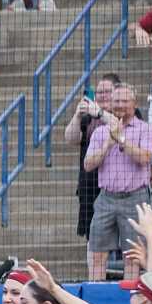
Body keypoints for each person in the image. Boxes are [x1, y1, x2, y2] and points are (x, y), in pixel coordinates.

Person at [84, 84, 152, 281]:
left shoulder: (145, 130)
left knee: (132, 256)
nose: (120, 105)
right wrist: (108, 144)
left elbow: (144, 158)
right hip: (106, 198)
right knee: (97, 252)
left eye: (125, 101)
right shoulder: (100, 132)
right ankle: (95, 298)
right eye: (116, 101)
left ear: (135, 103)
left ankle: (130, 299)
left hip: (135, 198)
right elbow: (88, 165)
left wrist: (122, 140)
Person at [63, 74, 118, 242]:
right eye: (99, 92)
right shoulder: (88, 118)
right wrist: (77, 115)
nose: (101, 95)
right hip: (90, 184)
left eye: (106, 91)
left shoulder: (125, 112)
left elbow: (118, 126)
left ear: (117, 93)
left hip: (116, 186)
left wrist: (100, 113)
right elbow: (71, 138)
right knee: (92, 237)